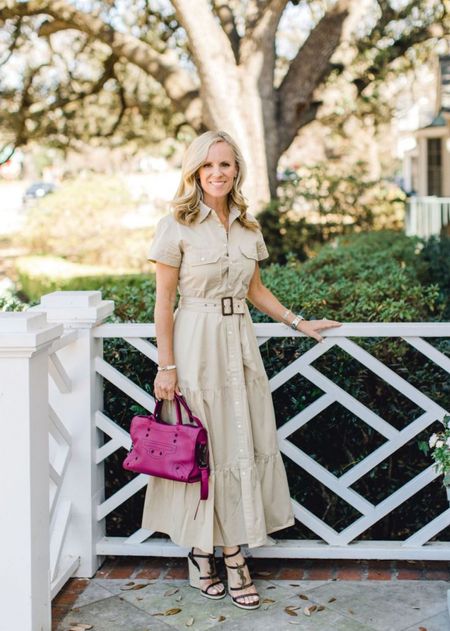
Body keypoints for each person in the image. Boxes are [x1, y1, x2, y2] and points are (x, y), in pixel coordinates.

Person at [142, 130, 342, 610]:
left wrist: (297, 321)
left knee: (237, 444)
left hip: (240, 346)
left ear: (237, 171)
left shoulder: (249, 227)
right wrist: (165, 365)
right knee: (202, 450)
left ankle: (224, 552)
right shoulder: (176, 225)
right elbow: (163, 302)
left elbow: (255, 290)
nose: (217, 173)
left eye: (226, 165)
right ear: (195, 172)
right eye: (208, 166)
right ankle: (210, 554)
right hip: (195, 344)